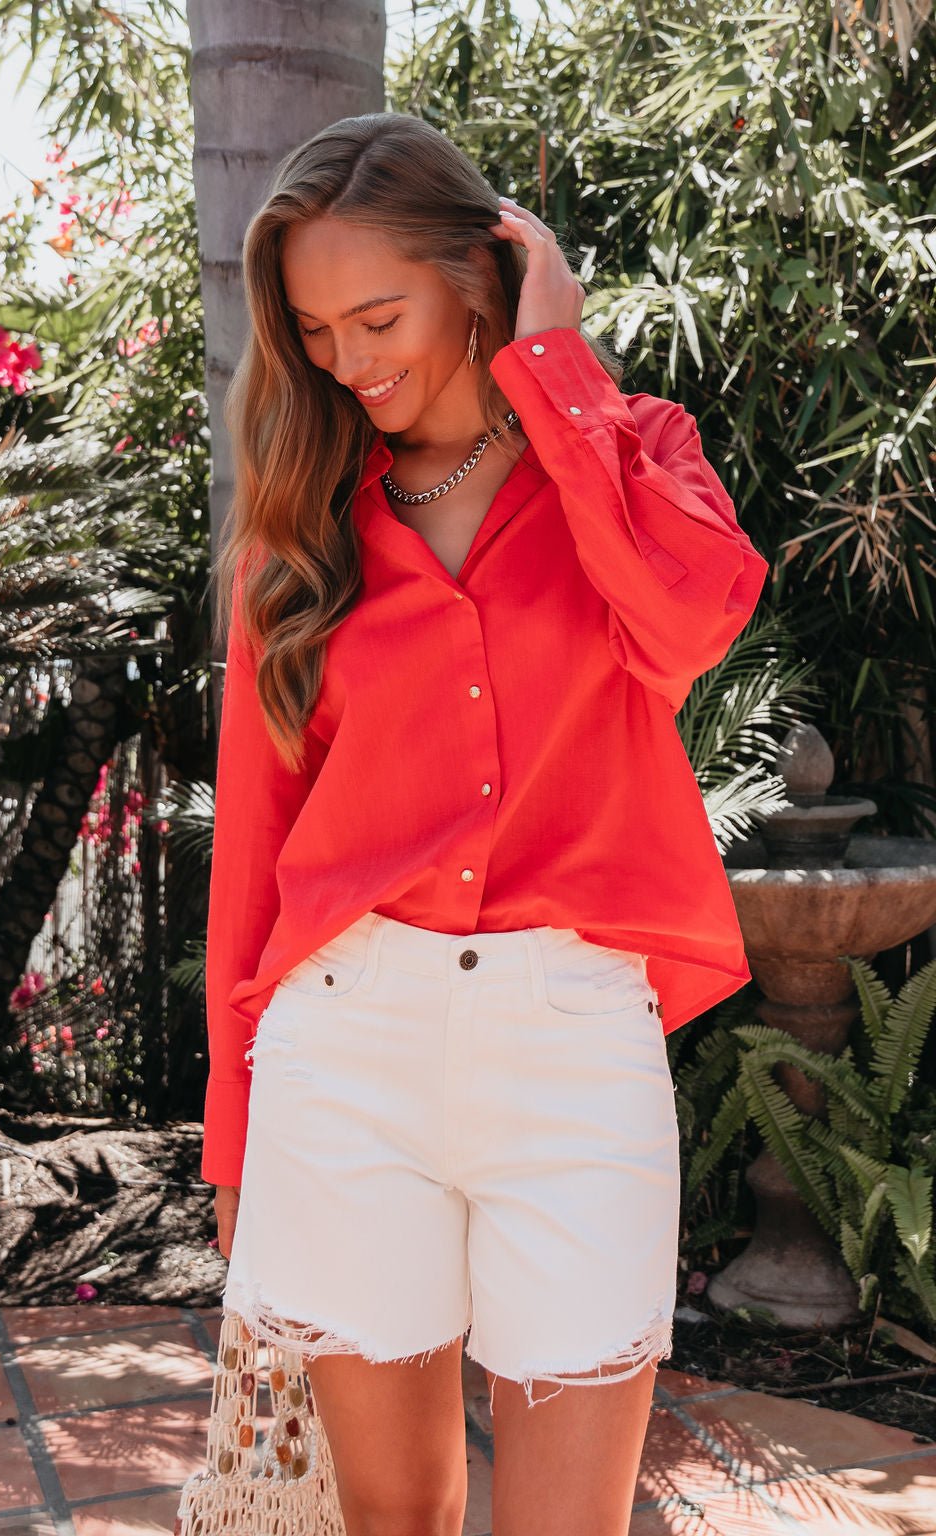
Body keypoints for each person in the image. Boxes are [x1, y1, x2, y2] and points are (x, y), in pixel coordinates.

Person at [203, 111, 769, 1536]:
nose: (351, 359)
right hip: (346, 1049)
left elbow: (690, 626)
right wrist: (233, 1135)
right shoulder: (301, 532)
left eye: (379, 313)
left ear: (480, 271)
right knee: (392, 1524)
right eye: (319, 329)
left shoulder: (636, 461)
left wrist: (556, 370)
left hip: (572, 1048)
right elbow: (257, 854)